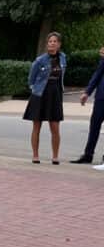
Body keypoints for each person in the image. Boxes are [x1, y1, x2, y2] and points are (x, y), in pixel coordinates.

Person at [24, 32, 67, 164]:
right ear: (47, 44)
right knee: (37, 126)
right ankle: (35, 155)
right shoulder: (40, 60)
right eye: (50, 41)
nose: (52, 43)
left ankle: (55, 156)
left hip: (56, 94)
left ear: (59, 44)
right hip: (40, 94)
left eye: (55, 41)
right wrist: (35, 90)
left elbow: (62, 75)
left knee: (55, 127)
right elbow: (31, 79)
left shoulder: (63, 58)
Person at [70, 46, 104, 167]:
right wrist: (87, 92)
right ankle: (88, 155)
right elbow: (98, 74)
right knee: (94, 125)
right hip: (101, 97)